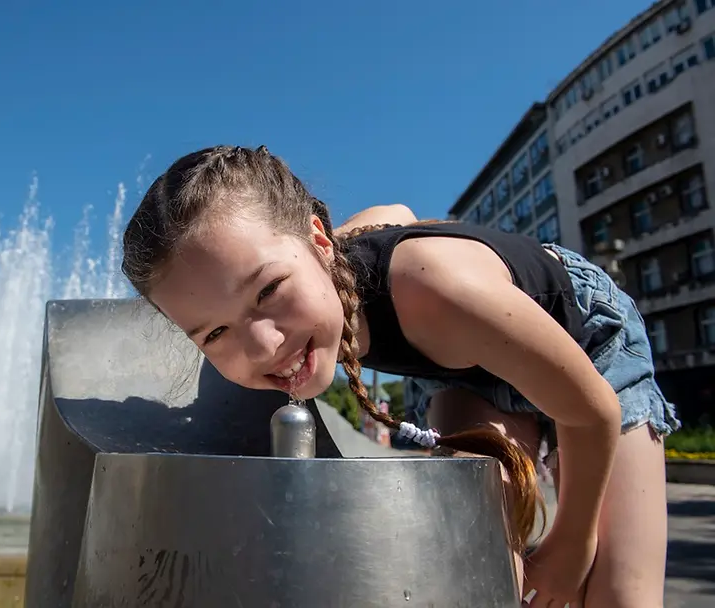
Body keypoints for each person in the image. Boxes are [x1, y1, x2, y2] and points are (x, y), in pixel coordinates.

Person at [121, 145, 679, 607]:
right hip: (465, 369)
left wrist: (572, 544)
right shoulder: (314, 271)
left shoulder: (439, 292)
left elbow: (593, 411)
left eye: (268, 290)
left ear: (318, 243)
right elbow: (398, 208)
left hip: (584, 340)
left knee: (616, 592)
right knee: (477, 542)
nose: (264, 344)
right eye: (214, 334)